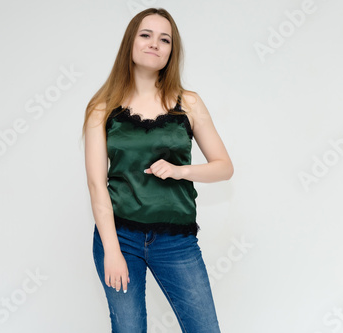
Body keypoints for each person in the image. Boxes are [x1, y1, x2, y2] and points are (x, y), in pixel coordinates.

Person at [82, 7, 233, 332]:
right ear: (131, 43)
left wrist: (180, 171)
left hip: (175, 239)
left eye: (165, 39)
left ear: (171, 51)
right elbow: (97, 185)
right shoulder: (102, 107)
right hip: (120, 236)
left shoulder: (189, 103)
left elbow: (224, 167)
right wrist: (111, 249)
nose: (155, 44)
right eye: (146, 35)